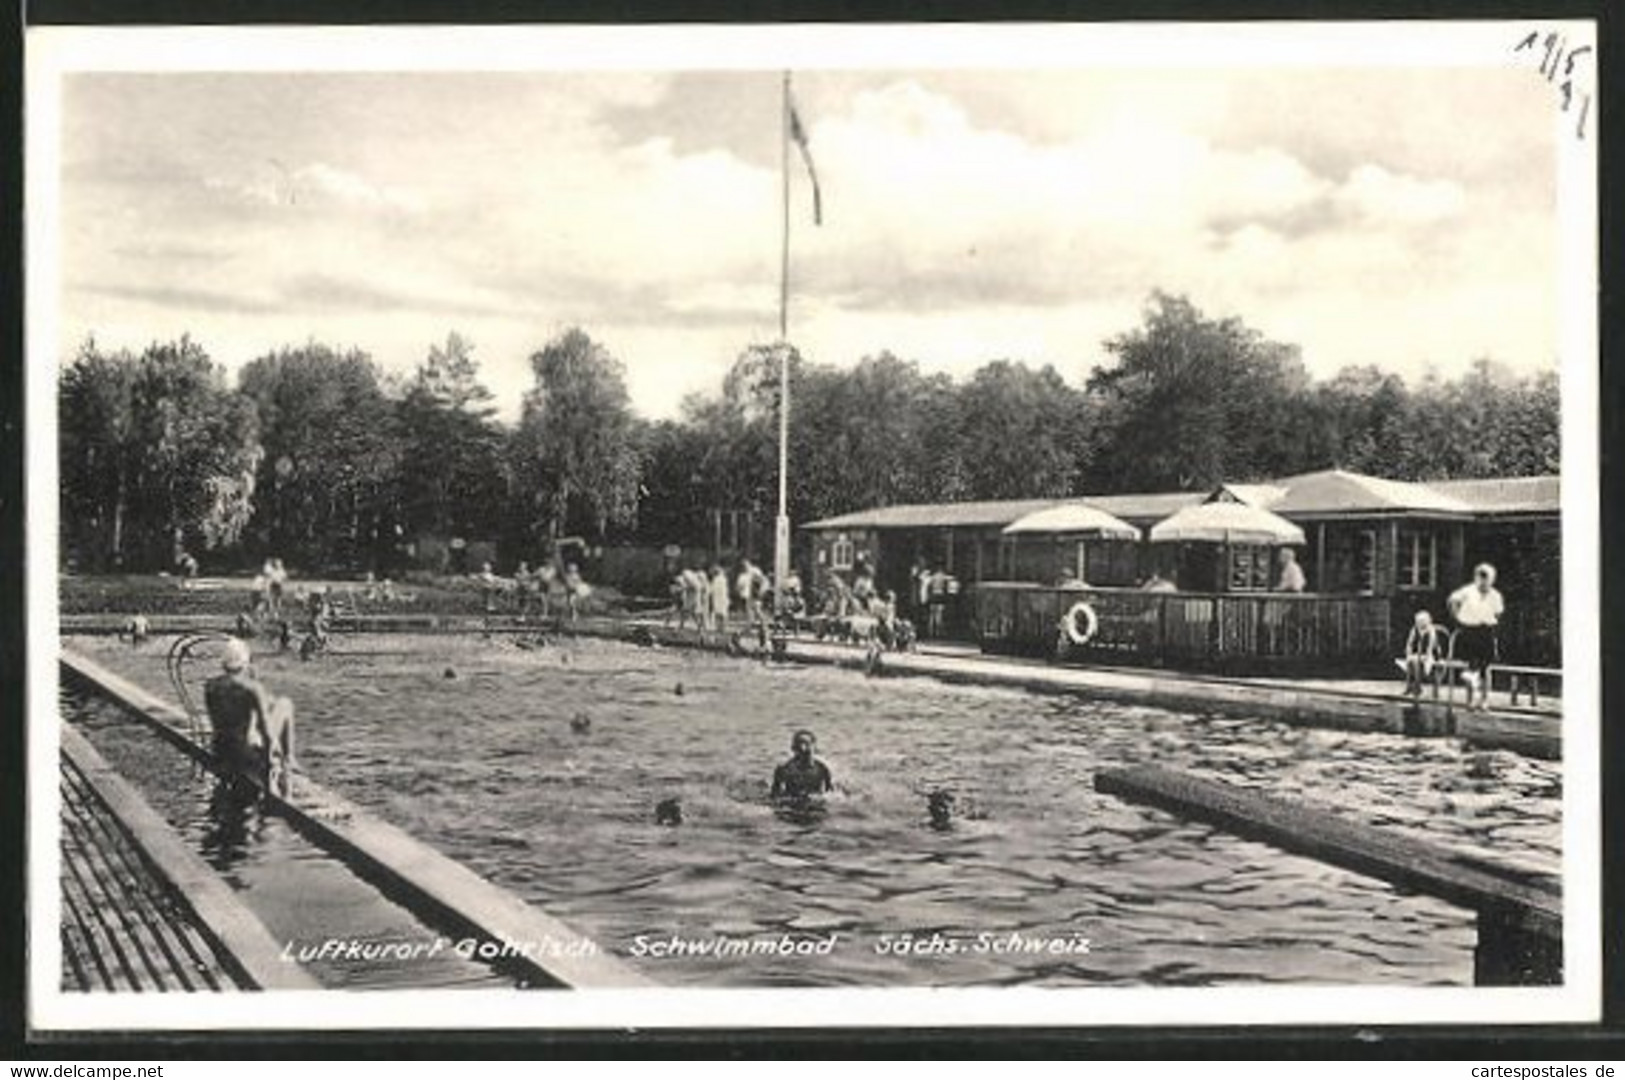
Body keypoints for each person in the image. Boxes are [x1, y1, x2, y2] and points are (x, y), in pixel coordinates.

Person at [203, 638, 296, 797]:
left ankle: (286, 760)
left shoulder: (211, 686)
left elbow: (228, 717)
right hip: (246, 757)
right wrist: (269, 766)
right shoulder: (252, 688)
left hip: (221, 750)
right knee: (285, 704)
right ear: (245, 662)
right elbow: (266, 733)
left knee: (270, 708)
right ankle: (288, 760)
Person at [1449, 563, 1504, 711]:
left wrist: (1490, 623)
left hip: (1486, 630)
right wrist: (1458, 618)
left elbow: (1498, 613)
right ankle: (1470, 700)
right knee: (1470, 667)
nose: (1484, 582)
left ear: (1492, 580)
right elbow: (1452, 601)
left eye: (1488, 579)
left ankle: (1484, 700)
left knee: (1485, 668)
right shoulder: (1467, 591)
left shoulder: (1495, 595)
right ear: (1476, 578)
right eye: (1481, 578)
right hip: (1470, 631)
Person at [770, 729, 833, 802]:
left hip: (815, 807)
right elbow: (774, 796)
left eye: (806, 744)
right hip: (790, 807)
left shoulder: (822, 769)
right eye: (799, 744)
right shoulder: (784, 769)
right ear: (793, 748)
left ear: (814, 747)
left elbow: (830, 794)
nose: (803, 747)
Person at [1400, 609, 1445, 698]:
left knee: (1416, 662)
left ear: (1427, 621)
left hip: (1432, 655)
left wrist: (1425, 656)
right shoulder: (1415, 630)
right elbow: (1409, 643)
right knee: (1411, 661)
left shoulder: (1431, 630)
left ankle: (1417, 686)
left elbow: (1431, 646)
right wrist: (1409, 653)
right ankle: (1410, 687)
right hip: (1418, 655)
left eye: (1422, 621)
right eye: (1418, 621)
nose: (1419, 623)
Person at [707, 565, 730, 633]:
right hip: (720, 598)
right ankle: (721, 627)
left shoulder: (718, 579)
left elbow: (712, 589)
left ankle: (721, 627)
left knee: (720, 614)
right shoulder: (722, 579)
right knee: (721, 613)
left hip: (720, 598)